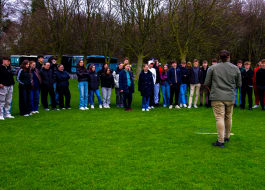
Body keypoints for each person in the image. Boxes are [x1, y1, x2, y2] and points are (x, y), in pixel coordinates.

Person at [204, 50, 241, 148]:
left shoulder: (212, 68)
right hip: (229, 96)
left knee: (220, 117)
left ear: (219, 57)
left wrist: (213, 90)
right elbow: (239, 84)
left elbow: (206, 83)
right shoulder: (235, 68)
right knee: (228, 117)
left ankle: (221, 141)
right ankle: (226, 136)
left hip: (217, 96)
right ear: (229, 57)